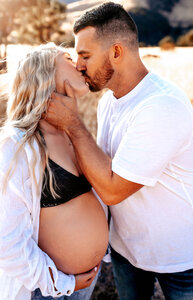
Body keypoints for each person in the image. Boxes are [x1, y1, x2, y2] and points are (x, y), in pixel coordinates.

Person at [44, 2, 193, 300]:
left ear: (117, 52)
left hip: (180, 256)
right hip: (125, 250)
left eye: (85, 55)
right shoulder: (108, 101)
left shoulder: (161, 105)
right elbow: (101, 167)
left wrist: (73, 125)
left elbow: (113, 190)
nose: (78, 65)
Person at [0, 43, 109, 300]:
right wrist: (60, 282)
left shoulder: (71, 133)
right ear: (44, 73)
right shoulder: (15, 145)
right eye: (69, 59)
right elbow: (6, 241)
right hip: (44, 289)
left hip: (85, 282)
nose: (80, 65)